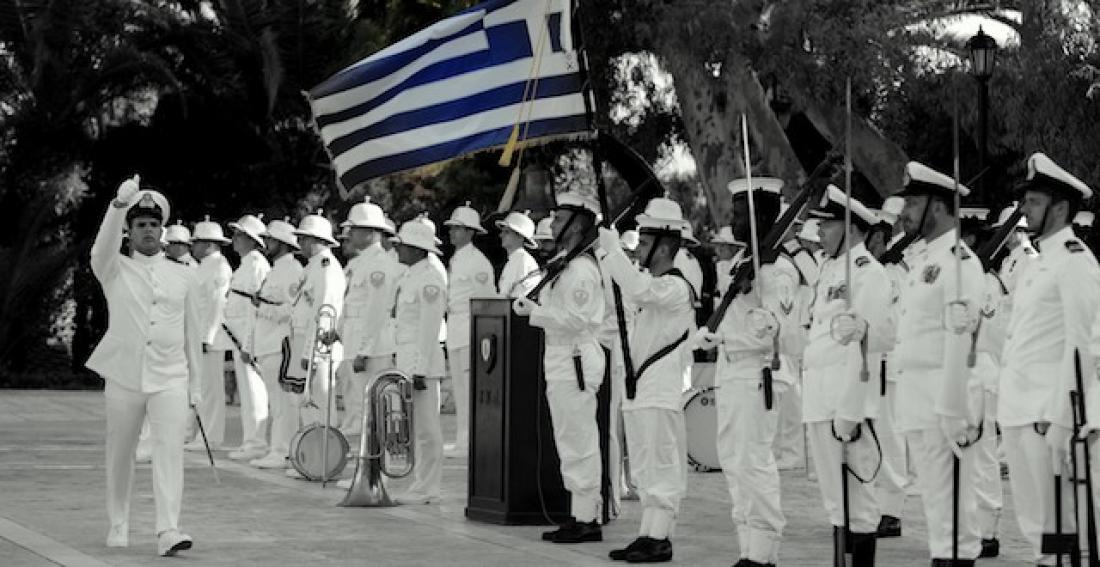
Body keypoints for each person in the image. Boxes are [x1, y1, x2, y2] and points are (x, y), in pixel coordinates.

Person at [86, 175, 200, 556]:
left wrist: (196, 388)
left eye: (153, 224)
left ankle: (168, 529)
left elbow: (192, 335)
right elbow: (100, 249)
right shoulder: (113, 268)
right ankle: (118, 521)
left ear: (162, 230)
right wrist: (117, 207)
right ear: (129, 231)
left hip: (170, 377)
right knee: (120, 453)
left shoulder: (184, 275)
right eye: (140, 224)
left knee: (169, 452)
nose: (148, 230)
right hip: (124, 376)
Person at [695, 176, 803, 567]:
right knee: (734, 462)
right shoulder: (747, 262)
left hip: (758, 375)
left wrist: (750, 319)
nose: (733, 220)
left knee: (754, 463)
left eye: (740, 213)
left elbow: (782, 329)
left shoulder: (777, 269)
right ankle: (748, 548)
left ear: (761, 217)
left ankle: (764, 550)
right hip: (732, 372)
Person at [1001, 153, 1100, 566]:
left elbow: (1083, 343)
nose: (1025, 210)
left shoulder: (1075, 260)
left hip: (1046, 413)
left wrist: (1063, 419)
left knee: (1060, 525)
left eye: (1034, 202)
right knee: (1038, 526)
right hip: (1020, 409)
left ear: (1060, 209)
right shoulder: (1039, 261)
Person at [893, 161, 985, 565]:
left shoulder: (959, 262)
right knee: (935, 501)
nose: (905, 212)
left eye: (913, 203)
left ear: (939, 207)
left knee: (952, 505)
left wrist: (952, 407)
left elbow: (960, 341)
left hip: (941, 398)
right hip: (917, 397)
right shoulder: (923, 260)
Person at [596, 198, 694, 563]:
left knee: (661, 463)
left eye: (645, 242)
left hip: (660, 388)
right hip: (640, 388)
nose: (638, 250)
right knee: (644, 465)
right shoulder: (653, 283)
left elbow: (637, 289)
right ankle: (648, 533)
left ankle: (661, 536)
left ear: (664, 248)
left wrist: (612, 252)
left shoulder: (675, 287)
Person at [802, 186, 894, 566]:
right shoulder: (828, 271)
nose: (819, 232)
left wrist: (851, 410)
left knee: (859, 501)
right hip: (820, 400)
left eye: (828, 225)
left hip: (845, 402)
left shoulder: (868, 273)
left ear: (851, 228)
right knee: (835, 501)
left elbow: (871, 341)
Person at [513, 191, 607, 544]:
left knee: (580, 440)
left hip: (575, 358)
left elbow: (577, 320)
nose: (551, 225)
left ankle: (588, 517)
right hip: (561, 359)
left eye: (559, 219)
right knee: (568, 439)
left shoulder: (581, 269)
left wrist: (535, 313)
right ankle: (578, 514)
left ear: (576, 226)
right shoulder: (565, 263)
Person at [388, 219, 448, 503]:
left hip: (421, 363)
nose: (397, 249)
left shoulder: (430, 279)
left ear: (415, 249)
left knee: (427, 428)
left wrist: (419, 369)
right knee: (415, 427)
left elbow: (429, 329)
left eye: (402, 245)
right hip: (407, 359)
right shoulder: (410, 276)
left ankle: (429, 488)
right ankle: (420, 483)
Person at [284, 211, 347, 480]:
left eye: (304, 238)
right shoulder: (312, 267)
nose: (300, 243)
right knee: (309, 408)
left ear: (315, 240)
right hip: (304, 343)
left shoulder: (326, 268)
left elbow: (324, 312)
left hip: (319, 348)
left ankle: (326, 464)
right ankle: (312, 463)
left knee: (321, 407)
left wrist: (313, 352)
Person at [337, 197, 405, 438]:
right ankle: (368, 461)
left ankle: (378, 462)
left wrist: (364, 350)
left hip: (372, 347)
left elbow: (376, 310)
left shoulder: (379, 265)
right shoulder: (361, 263)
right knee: (362, 407)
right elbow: (350, 303)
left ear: (370, 232)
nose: (349, 234)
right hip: (356, 340)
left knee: (375, 408)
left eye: (355, 229)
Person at [247, 218, 304, 470]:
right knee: (276, 403)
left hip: (280, 344)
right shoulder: (276, 269)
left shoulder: (291, 270)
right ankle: (278, 448)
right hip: (267, 343)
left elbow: (293, 310)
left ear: (282, 243)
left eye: (270, 239)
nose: (266, 243)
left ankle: (283, 451)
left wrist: (262, 307)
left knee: (283, 404)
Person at [443, 203, 497, 457]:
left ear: (470, 232)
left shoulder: (478, 263)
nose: (452, 232)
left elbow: (486, 302)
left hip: (470, 330)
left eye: (458, 228)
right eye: (452, 228)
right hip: (455, 327)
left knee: (469, 389)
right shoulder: (457, 259)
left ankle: (471, 441)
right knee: (459, 388)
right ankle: (462, 439)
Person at [183, 216, 232, 453]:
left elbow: (216, 305)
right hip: (197, 335)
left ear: (209, 244)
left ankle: (211, 437)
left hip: (209, 339)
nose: (193, 246)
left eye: (197, 242)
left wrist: (207, 336)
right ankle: (196, 433)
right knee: (199, 387)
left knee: (211, 390)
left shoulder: (220, 266)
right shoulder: (204, 266)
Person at [225, 214, 272, 462]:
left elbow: (256, 307)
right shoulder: (245, 264)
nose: (234, 239)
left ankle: (257, 442)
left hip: (248, 338)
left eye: (240, 235)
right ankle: (249, 440)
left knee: (254, 391)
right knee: (246, 391)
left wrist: (250, 343)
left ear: (252, 240)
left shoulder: (257, 264)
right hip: (238, 336)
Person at [496, 210, 542, 297]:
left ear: (520, 237)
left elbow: (505, 294)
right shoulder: (517, 258)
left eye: (507, 232)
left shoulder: (520, 259)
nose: (501, 235)